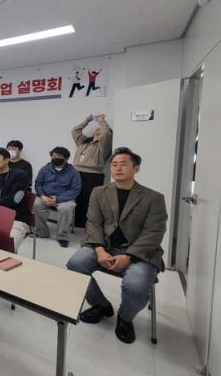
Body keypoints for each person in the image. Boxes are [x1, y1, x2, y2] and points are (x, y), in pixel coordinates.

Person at [66, 147, 167, 344]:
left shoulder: (153, 198)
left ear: (136, 168)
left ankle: (125, 318)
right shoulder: (99, 192)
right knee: (75, 265)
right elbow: (93, 223)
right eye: (114, 165)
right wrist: (99, 249)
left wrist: (129, 256)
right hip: (104, 245)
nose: (118, 168)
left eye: (123, 164)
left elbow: (154, 233)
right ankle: (101, 305)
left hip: (140, 252)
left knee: (136, 286)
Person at [34, 147, 81, 247]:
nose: (56, 159)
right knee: (36, 204)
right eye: (54, 156)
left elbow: (75, 190)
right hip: (46, 196)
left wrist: (58, 199)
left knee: (65, 208)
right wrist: (42, 196)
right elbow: (38, 184)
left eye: (60, 157)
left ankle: (62, 236)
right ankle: (42, 232)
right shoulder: (45, 169)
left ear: (66, 159)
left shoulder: (73, 172)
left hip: (64, 198)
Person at [72, 114, 113, 227]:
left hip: (93, 175)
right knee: (77, 199)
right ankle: (76, 224)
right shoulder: (84, 142)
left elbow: (106, 134)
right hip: (77, 173)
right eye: (97, 128)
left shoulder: (103, 146)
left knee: (90, 201)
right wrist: (87, 120)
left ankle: (88, 225)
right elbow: (75, 131)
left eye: (100, 129)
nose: (98, 129)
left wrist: (102, 122)